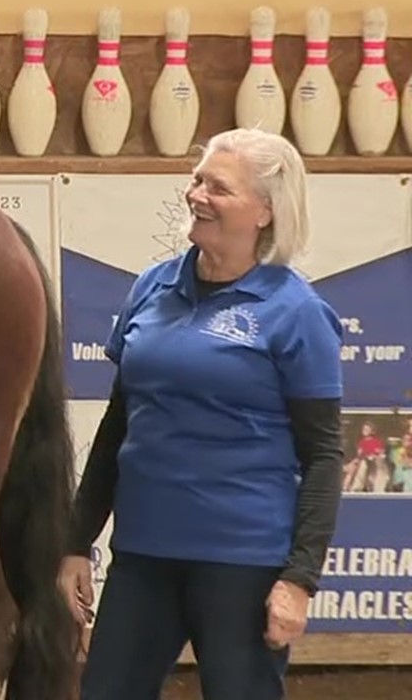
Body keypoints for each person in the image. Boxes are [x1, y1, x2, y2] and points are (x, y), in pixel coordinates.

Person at [60, 127, 345, 700]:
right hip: (142, 557)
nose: (197, 195)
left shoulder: (297, 312)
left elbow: (323, 455)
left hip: (243, 566)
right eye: (197, 180)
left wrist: (299, 579)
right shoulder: (152, 286)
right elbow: (120, 424)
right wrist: (74, 542)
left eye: (219, 187)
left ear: (265, 211)